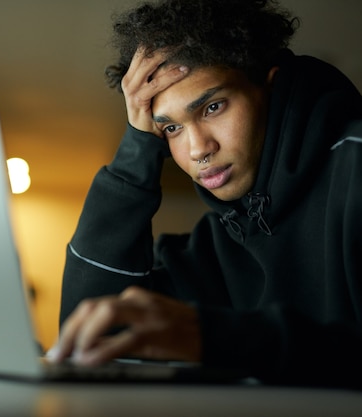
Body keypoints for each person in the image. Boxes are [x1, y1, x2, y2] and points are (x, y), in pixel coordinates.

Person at [48, 0, 362, 387]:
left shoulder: (356, 166)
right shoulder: (216, 243)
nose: (198, 149)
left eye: (213, 106)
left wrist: (213, 337)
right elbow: (89, 339)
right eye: (171, 129)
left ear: (270, 85)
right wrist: (137, 148)